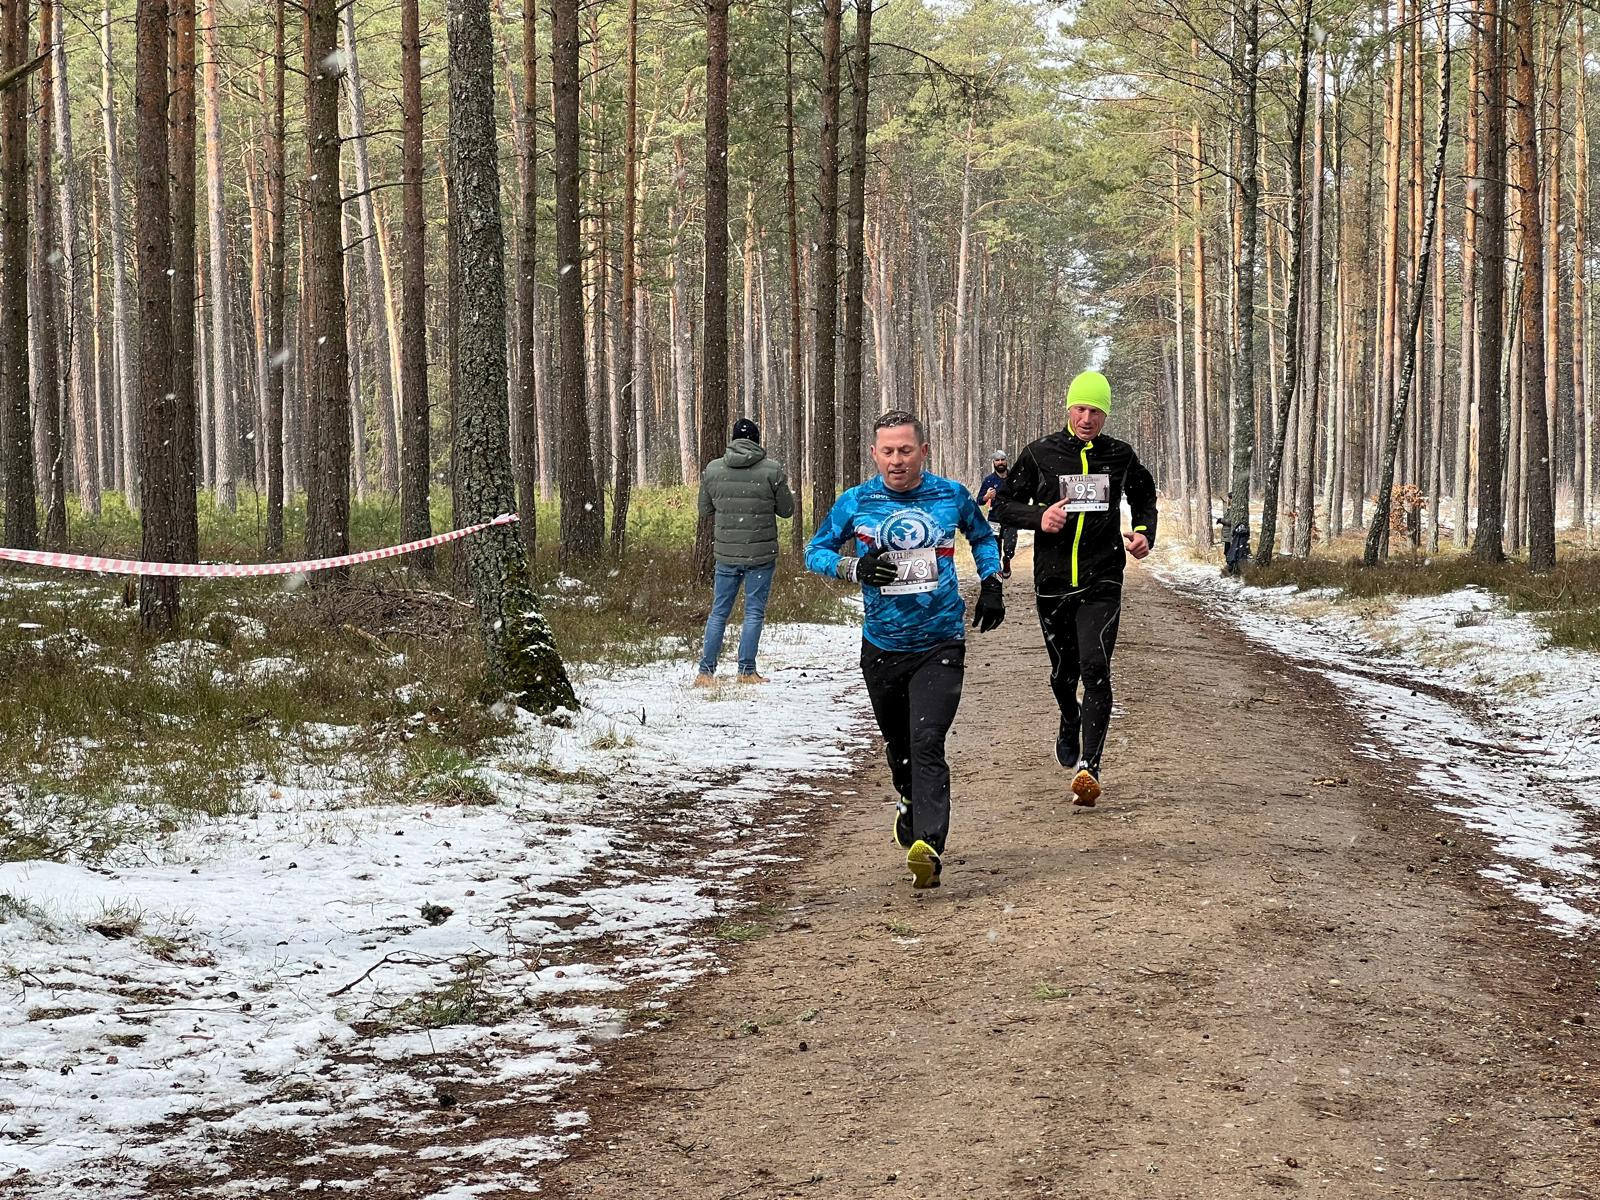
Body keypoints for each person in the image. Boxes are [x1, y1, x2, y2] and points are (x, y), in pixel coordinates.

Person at [807, 409, 1005, 889]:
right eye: (888, 452)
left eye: (906, 450)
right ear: (875, 454)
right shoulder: (855, 502)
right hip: (881, 644)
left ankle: (929, 847)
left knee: (926, 741)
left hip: (940, 640)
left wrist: (992, 580)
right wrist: (854, 568)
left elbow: (981, 536)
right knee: (900, 747)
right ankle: (908, 798)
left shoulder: (951, 495)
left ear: (923, 451)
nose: (897, 461)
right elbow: (815, 551)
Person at [992, 370, 1157, 809]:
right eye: (1081, 408)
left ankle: (1090, 766)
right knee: (1064, 673)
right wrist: (1039, 517)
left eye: (1096, 411)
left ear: (1106, 414)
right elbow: (1002, 505)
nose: (1087, 418)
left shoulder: (1119, 455)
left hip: (1103, 576)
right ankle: (1069, 715)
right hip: (1052, 580)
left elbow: (1144, 496)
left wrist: (1143, 532)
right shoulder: (1040, 453)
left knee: (1095, 666)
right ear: (1069, 408)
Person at [695, 417, 796, 685]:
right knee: (753, 613)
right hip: (760, 556)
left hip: (726, 555)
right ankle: (746, 671)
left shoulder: (713, 470)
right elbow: (787, 511)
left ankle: (706, 672)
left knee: (719, 612)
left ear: (733, 440)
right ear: (757, 440)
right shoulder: (771, 470)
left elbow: (705, 509)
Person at [976, 451, 1018, 579]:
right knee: (995, 548)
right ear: (993, 463)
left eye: (1002, 460)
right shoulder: (989, 480)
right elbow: (979, 501)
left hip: (1011, 518)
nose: (1000, 462)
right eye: (997, 460)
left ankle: (1007, 560)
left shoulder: (1015, 477)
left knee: (1009, 547)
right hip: (994, 518)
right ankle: (997, 570)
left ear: (1006, 461)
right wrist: (986, 496)